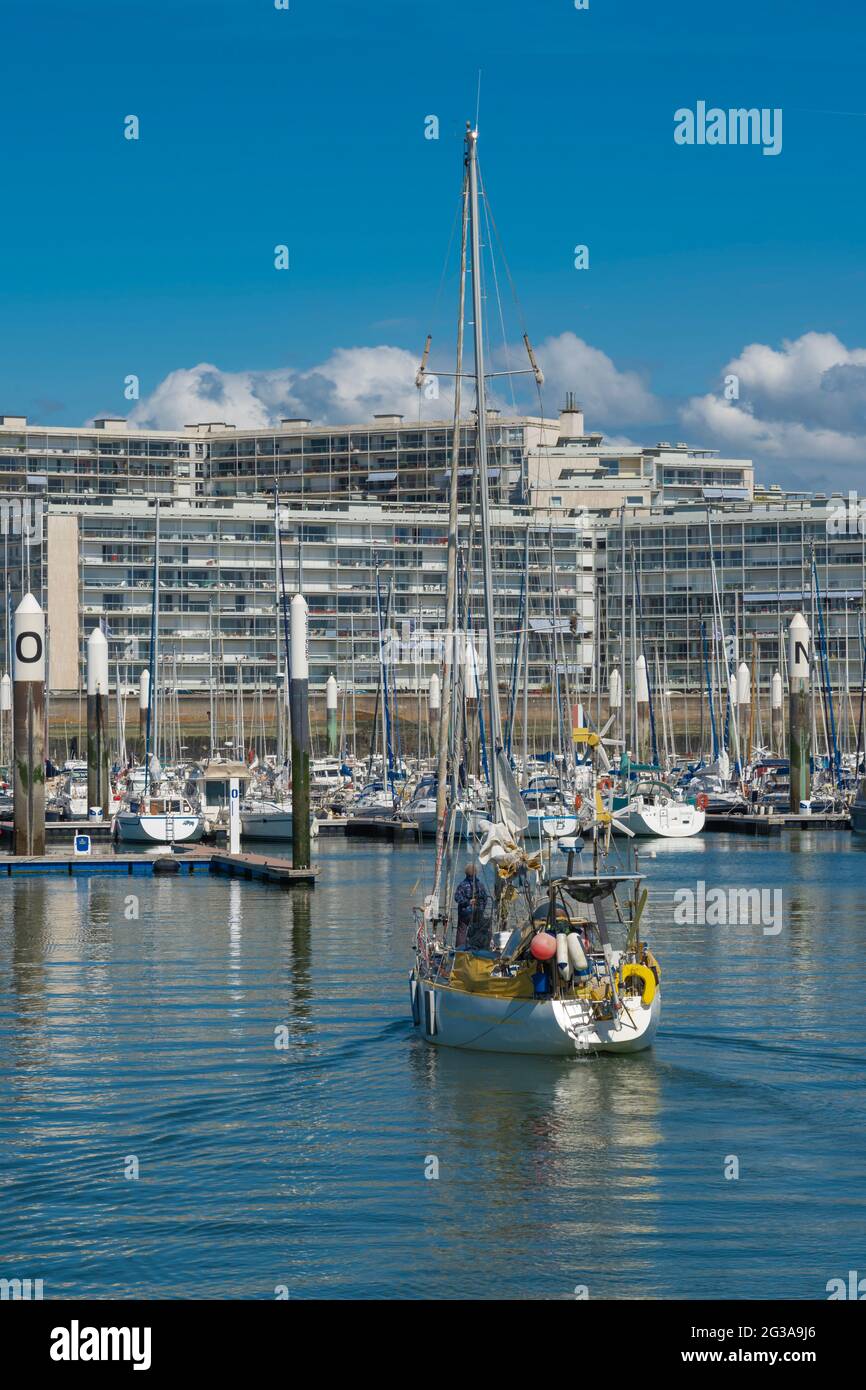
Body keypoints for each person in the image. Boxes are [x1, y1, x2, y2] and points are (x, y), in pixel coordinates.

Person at [454, 863, 489, 950]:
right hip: (478, 912)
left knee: (462, 931)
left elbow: (457, 898)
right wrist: (481, 909)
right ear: (476, 873)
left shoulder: (462, 885)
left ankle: (459, 950)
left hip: (465, 913)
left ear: (466, 873)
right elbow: (485, 898)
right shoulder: (480, 885)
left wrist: (467, 902)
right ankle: (476, 949)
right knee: (477, 931)